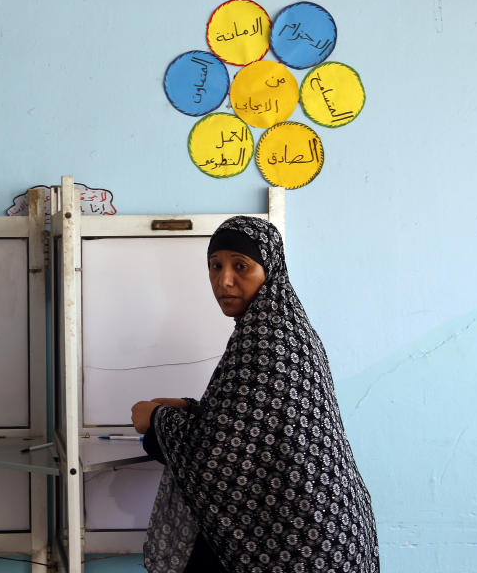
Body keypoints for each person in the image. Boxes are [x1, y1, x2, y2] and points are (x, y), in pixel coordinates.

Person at [131, 216, 379, 573]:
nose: (224, 280)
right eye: (215, 266)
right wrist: (188, 407)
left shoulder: (268, 338)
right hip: (320, 524)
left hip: (302, 541)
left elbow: (223, 454)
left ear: (270, 270)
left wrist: (155, 419)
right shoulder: (282, 324)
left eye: (241, 266)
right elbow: (254, 422)